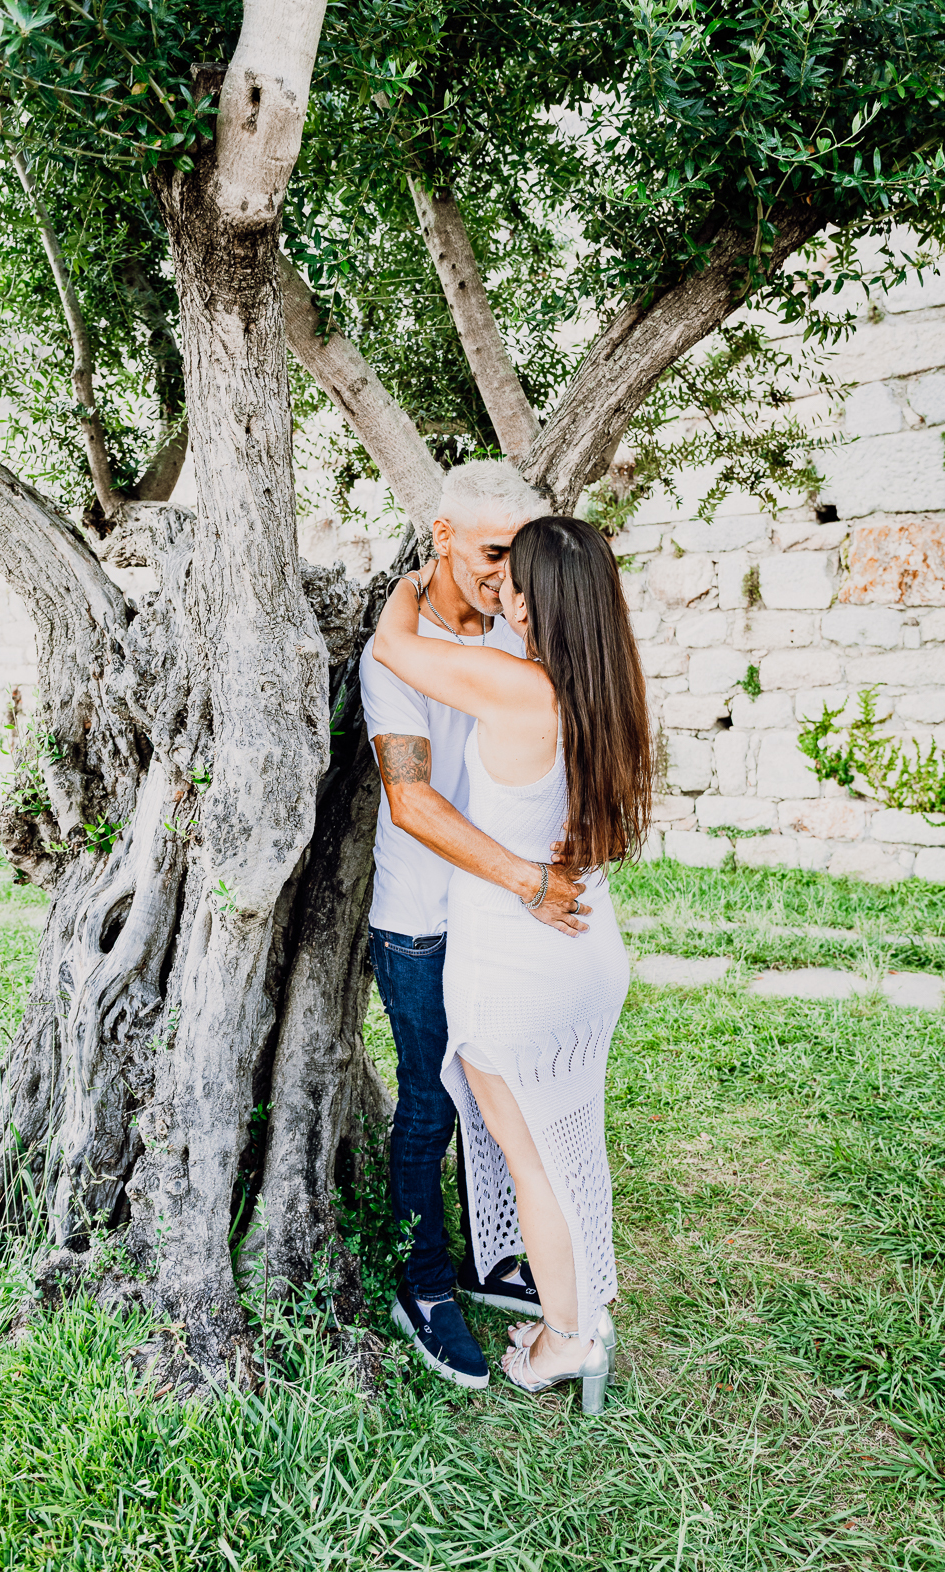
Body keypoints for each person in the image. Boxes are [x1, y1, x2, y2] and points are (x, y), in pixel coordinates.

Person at [373, 514, 651, 1410]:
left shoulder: (513, 685)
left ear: (530, 602)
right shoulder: (612, 690)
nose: (498, 588)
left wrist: (421, 577)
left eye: (511, 576)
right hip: (586, 954)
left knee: (532, 1162)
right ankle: (573, 1311)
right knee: (568, 1148)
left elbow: (392, 644)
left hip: (516, 967)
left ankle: (566, 1341)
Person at [359, 463, 590, 1391]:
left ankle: (494, 1258)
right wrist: (529, 880)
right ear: (444, 537)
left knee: (505, 1104)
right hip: (423, 920)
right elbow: (411, 801)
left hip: (503, 920)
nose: (512, 571)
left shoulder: (520, 624)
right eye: (497, 551)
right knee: (430, 1103)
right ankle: (424, 1284)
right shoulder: (400, 648)